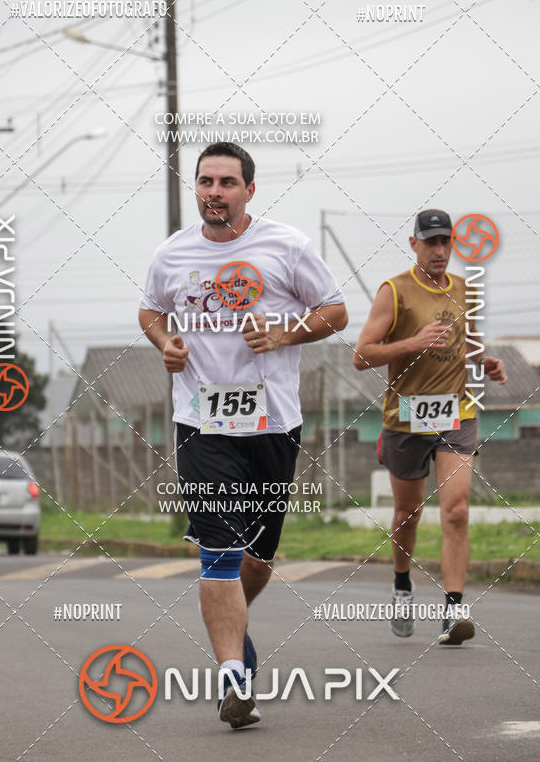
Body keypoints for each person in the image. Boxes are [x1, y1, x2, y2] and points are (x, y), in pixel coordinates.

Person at [139, 141, 348, 727]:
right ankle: (235, 678)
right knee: (221, 552)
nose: (214, 192)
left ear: (249, 192)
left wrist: (282, 332)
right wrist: (167, 344)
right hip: (201, 421)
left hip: (273, 423)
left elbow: (335, 311)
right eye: (205, 182)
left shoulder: (286, 246)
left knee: (255, 561)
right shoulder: (173, 255)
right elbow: (150, 310)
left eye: (227, 183)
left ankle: (230, 622)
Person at [353, 209, 507, 645]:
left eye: (446, 242)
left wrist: (485, 360)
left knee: (456, 510)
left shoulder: (464, 289)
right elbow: (361, 354)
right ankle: (402, 584)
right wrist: (410, 343)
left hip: (457, 412)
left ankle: (454, 609)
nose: (440, 251)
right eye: (431, 242)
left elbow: (466, 340)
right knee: (408, 513)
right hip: (405, 418)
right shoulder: (394, 292)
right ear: (414, 243)